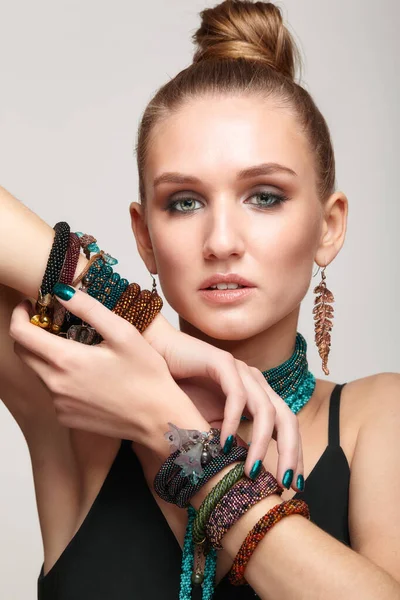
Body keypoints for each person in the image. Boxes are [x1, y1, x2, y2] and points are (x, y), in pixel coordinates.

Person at [1, 0, 399, 598]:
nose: (220, 241)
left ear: (329, 226)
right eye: (184, 202)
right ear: (144, 237)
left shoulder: (378, 419)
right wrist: (148, 329)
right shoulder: (75, 405)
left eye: (264, 196)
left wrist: (175, 436)